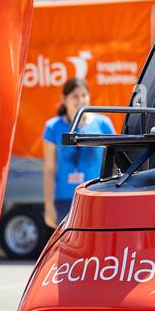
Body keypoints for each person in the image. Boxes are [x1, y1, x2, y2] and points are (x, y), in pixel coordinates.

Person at [42, 78, 114, 228]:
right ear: (64, 99)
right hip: (65, 200)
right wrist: (49, 206)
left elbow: (115, 163)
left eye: (84, 95)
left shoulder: (103, 124)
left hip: (97, 197)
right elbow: (49, 170)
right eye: (75, 96)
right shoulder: (53, 127)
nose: (80, 100)